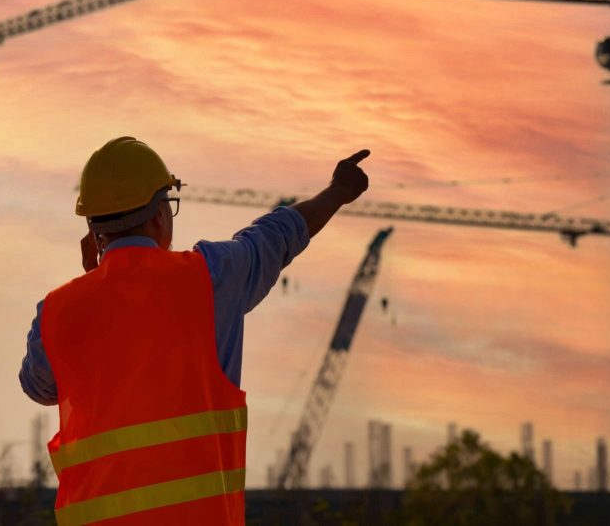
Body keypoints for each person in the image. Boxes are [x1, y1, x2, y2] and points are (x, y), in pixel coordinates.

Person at [19, 136, 370, 525]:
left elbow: (40, 388)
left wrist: (93, 290)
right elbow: (276, 236)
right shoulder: (210, 279)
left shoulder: (58, 310)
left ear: (93, 229)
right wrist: (338, 192)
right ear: (158, 216)